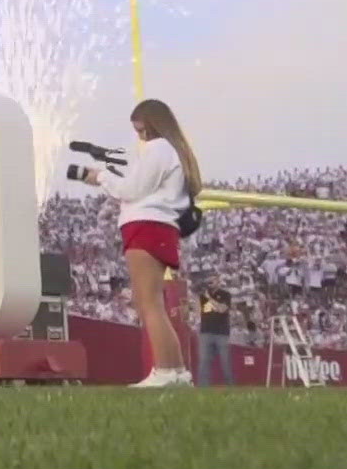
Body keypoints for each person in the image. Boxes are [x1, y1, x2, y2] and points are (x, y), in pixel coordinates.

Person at [82, 98, 202, 388]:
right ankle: (175, 371)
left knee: (149, 303)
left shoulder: (159, 148)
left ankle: (164, 371)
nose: (139, 136)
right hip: (157, 226)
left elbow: (132, 189)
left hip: (147, 225)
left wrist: (101, 177)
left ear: (150, 125)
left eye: (140, 130)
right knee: (154, 303)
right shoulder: (171, 151)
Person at [197, 285, 235, 386]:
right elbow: (199, 311)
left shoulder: (225, 294)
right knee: (204, 361)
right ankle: (203, 388)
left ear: (218, 281)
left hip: (221, 333)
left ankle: (229, 386)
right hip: (205, 332)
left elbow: (222, 309)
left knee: (225, 361)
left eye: (213, 279)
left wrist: (209, 298)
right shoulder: (202, 296)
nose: (210, 282)